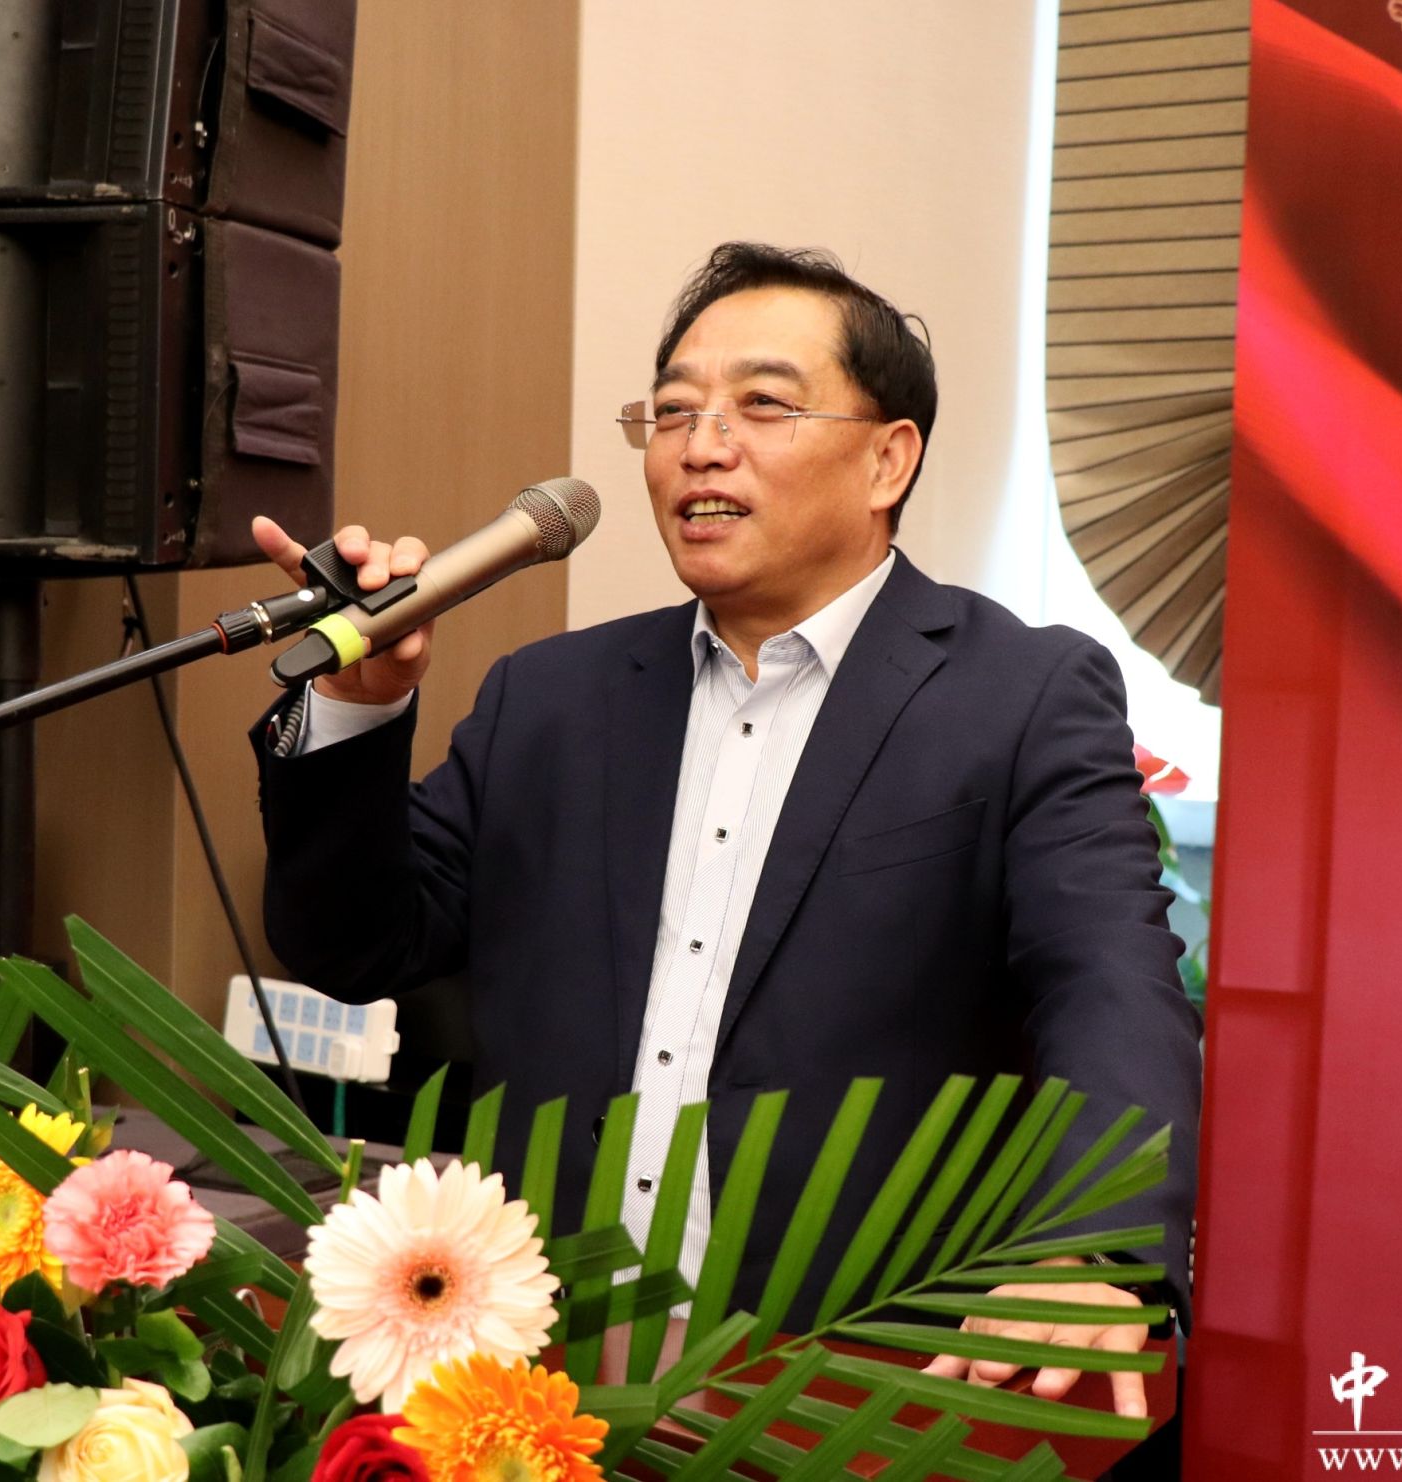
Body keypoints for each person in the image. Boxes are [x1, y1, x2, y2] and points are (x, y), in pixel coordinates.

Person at [249, 243, 1202, 1420]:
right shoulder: (550, 698)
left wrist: (1091, 1248)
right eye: (672, 412)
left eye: (762, 405)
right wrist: (358, 705)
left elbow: (1104, 978)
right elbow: (354, 944)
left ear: (887, 459)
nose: (700, 446)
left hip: (852, 1383)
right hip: (541, 1374)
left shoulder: (1017, 695)